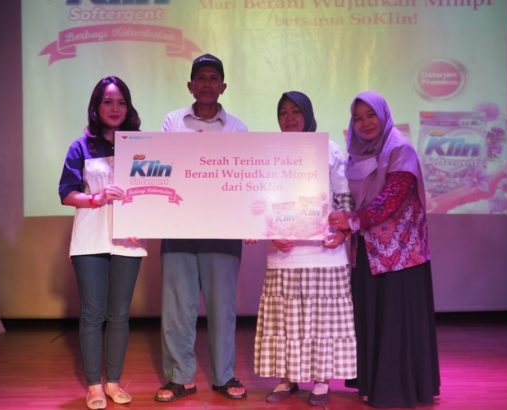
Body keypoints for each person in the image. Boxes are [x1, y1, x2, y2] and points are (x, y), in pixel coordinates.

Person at [326, 90, 440, 407]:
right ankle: (372, 383)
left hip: (401, 256)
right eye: (358, 117)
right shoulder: (357, 154)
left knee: (394, 321)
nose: (364, 123)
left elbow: (390, 200)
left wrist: (351, 220)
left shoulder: (400, 150)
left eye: (371, 115)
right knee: (373, 316)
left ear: (384, 115)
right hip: (368, 250)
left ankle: (396, 389)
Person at [154, 53, 248, 403]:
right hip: (178, 226)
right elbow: (164, 166)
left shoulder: (238, 128)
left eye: (213, 78)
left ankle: (224, 376)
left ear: (224, 86)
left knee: (222, 308)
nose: (207, 83)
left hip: (223, 231)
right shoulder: (172, 122)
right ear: (190, 85)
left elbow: (243, 181)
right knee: (177, 309)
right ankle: (180, 378)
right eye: (201, 78)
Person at [254, 91, 357, 407]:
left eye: (296, 111)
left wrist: (343, 233)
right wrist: (270, 233)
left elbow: (344, 195)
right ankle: (288, 378)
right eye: (283, 112)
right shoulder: (269, 153)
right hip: (284, 254)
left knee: (322, 323)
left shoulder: (330, 149)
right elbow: (258, 200)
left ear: (308, 114)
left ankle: (322, 382)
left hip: (324, 253)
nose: (289, 117)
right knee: (286, 321)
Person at [58, 76, 147, 410]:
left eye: (121, 102)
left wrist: (147, 219)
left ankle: (113, 382)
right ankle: (94, 386)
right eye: (108, 101)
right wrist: (96, 198)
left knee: (120, 314)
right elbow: (66, 194)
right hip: (89, 239)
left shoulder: (141, 144)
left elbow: (151, 191)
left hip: (128, 240)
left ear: (129, 107)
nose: (114, 108)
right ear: (96, 107)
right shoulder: (80, 146)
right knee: (93, 314)